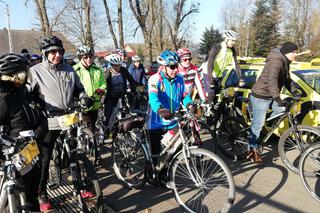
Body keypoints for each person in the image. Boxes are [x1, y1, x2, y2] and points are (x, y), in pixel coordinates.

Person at [27, 35, 92, 212]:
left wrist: (84, 97)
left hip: (69, 117)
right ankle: (42, 193)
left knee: (74, 152)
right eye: (52, 52)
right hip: (48, 120)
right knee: (45, 158)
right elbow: (28, 95)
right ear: (44, 54)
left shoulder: (69, 69)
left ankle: (81, 185)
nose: (57, 55)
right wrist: (34, 106)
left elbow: (79, 89)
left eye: (60, 52)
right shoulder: (35, 71)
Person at [0, 53, 48, 211]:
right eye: (25, 71)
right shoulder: (4, 98)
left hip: (31, 151)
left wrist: (40, 130)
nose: (28, 74)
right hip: (14, 154)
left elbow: (39, 115)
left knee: (31, 192)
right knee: (18, 195)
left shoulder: (24, 92)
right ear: (15, 75)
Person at [247, 42, 300, 162]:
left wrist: (295, 93)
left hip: (270, 95)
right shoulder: (276, 61)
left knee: (281, 110)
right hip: (260, 95)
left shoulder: (285, 61)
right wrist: (277, 98)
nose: (295, 54)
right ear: (287, 52)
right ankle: (252, 149)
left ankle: (260, 122)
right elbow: (272, 81)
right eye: (294, 52)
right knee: (258, 125)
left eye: (296, 52)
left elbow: (286, 79)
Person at [147, 50, 194, 173]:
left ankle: (167, 173)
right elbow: (153, 97)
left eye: (176, 66)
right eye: (172, 67)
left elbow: (184, 95)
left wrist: (189, 103)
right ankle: (154, 174)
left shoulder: (179, 78)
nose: (175, 70)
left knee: (172, 153)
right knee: (156, 156)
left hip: (173, 120)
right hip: (157, 122)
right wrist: (160, 109)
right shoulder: (154, 79)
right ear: (163, 67)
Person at [73, 45, 106, 132]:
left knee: (93, 128)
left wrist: (101, 89)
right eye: (85, 57)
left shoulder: (98, 70)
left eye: (91, 57)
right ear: (80, 58)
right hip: (81, 106)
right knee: (83, 130)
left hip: (95, 104)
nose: (89, 59)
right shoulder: (74, 70)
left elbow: (103, 83)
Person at [103, 53, 137, 130]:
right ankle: (107, 133)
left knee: (125, 115)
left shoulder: (124, 70)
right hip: (110, 98)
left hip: (121, 97)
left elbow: (131, 81)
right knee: (109, 116)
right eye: (116, 65)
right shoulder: (107, 73)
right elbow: (103, 85)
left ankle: (122, 131)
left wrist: (133, 92)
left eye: (119, 65)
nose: (118, 67)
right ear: (111, 64)